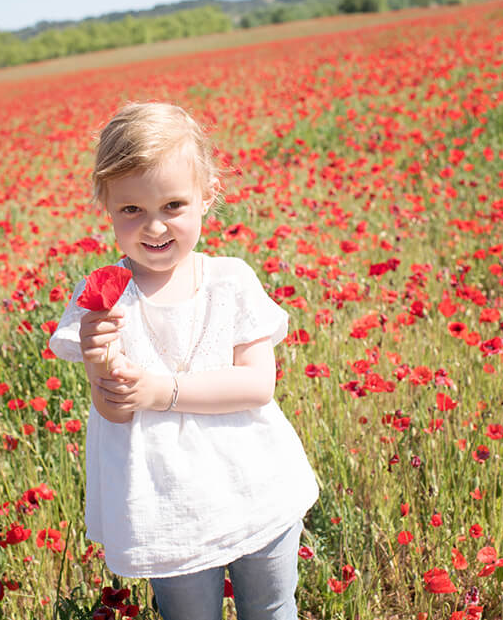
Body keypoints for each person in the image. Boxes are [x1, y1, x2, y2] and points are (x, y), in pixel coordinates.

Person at [48, 102, 319, 620]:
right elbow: (115, 413)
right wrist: (99, 358)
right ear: (106, 204)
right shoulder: (104, 300)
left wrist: (161, 391)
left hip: (254, 483)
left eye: (173, 205)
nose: (154, 227)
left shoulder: (231, 280)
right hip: (169, 504)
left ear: (207, 196)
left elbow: (259, 384)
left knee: (271, 607)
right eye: (132, 210)